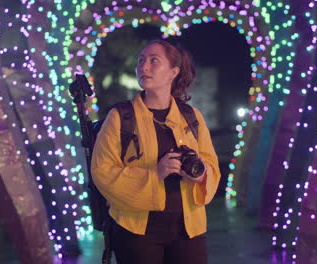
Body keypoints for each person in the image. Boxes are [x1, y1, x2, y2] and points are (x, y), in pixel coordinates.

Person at [91, 39, 221, 264]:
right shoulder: (120, 117)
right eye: (141, 61)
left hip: (188, 229)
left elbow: (211, 165)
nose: (144, 67)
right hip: (136, 231)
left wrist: (200, 175)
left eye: (153, 61)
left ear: (173, 72)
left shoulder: (191, 116)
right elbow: (102, 171)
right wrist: (155, 175)